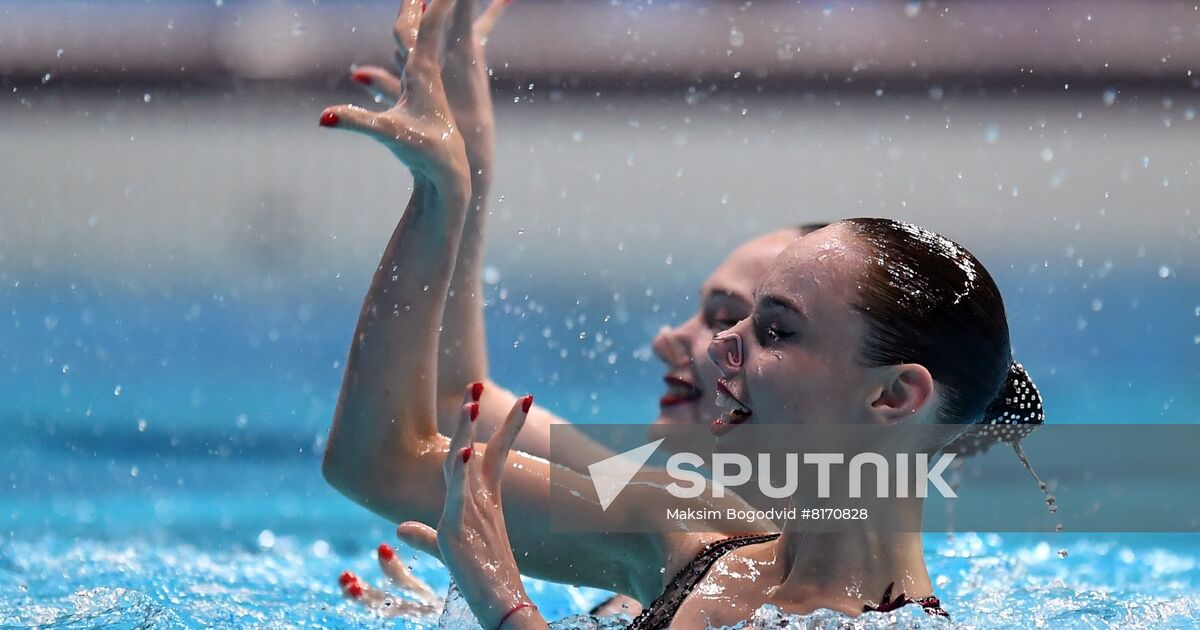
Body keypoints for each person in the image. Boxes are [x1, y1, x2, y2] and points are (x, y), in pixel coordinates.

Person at [317, 0, 1044, 625]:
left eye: (774, 330)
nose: (713, 344)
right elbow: (379, 460)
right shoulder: (678, 533)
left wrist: (504, 603)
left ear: (892, 394)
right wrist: (443, 195)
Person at [317, 0, 822, 616]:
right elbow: (456, 409)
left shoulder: (693, 531)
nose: (670, 338)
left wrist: (440, 197)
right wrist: (469, 165)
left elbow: (377, 462)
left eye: (730, 320)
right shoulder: (695, 506)